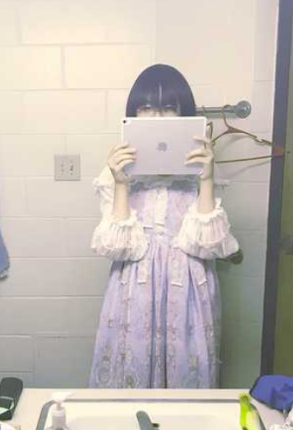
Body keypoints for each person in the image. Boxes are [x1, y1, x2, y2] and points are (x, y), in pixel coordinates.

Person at [88, 64, 240, 389]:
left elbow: (210, 245)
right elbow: (117, 248)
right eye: (146, 107)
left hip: (189, 292)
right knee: (130, 375)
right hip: (133, 291)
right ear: (133, 113)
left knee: (187, 384)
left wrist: (207, 179)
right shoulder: (114, 173)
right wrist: (121, 183)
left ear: (183, 113)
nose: (157, 117)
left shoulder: (200, 169)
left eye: (168, 107)